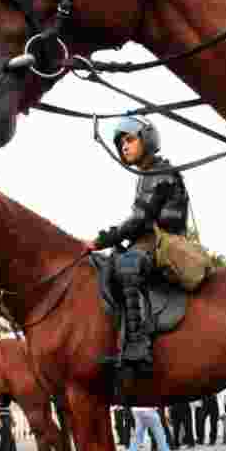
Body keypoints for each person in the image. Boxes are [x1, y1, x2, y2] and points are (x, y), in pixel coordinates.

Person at [86, 116, 190, 374]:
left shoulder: (159, 172)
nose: (124, 146)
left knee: (127, 265)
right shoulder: (148, 174)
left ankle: (138, 345)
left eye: (129, 139)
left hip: (164, 243)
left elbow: (138, 220)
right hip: (149, 241)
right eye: (121, 142)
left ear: (148, 138)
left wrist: (99, 240)